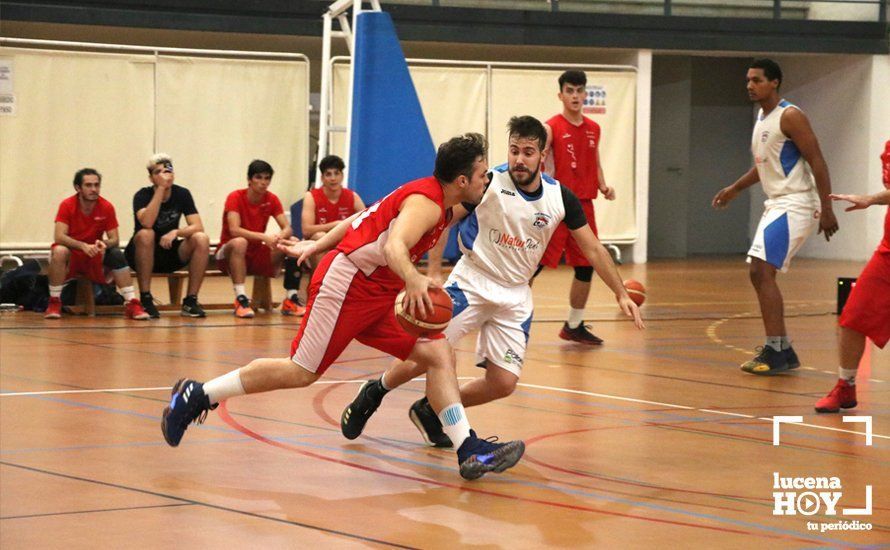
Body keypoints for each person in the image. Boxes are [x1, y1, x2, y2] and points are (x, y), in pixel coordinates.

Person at [160, 134, 525, 480]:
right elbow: (393, 247)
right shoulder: (426, 204)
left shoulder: (434, 199)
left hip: (378, 294)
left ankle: (468, 449)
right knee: (301, 371)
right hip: (348, 285)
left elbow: (358, 219)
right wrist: (414, 279)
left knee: (438, 352)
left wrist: (313, 246)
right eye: (482, 174)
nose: (487, 179)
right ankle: (197, 394)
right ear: (461, 180)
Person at [340, 116, 644, 448]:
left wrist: (619, 293)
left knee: (503, 382)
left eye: (528, 152)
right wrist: (434, 270)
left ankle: (429, 411)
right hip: (473, 281)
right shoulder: (486, 184)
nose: (519, 159)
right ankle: (376, 389)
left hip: (515, 294)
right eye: (514, 150)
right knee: (428, 353)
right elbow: (441, 219)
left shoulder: (561, 198)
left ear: (543, 155)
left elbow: (593, 248)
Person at [712, 58, 839, 375]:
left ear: (775, 83)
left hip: (796, 202)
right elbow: (764, 166)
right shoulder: (762, 117)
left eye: (756, 80)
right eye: (748, 80)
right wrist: (735, 188)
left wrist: (827, 207)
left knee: (761, 270)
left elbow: (817, 161)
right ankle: (782, 349)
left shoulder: (791, 116)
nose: (750, 86)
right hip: (778, 204)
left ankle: (777, 349)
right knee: (758, 272)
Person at [539, 70, 616, 345]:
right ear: (560, 95)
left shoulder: (594, 128)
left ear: (585, 94)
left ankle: (573, 324)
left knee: (586, 266)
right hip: (556, 205)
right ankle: (501, 314)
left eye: (579, 90)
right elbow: (540, 164)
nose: (575, 95)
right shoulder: (550, 128)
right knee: (533, 264)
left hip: (583, 206)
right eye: (569, 90)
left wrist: (604, 185)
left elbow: (594, 161)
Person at [815, 140, 890, 412]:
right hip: (888, 253)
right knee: (853, 317)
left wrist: (870, 199)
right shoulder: (889, 149)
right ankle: (845, 387)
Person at [45, 168, 150, 320]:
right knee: (59, 250)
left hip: (95, 253)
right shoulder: (67, 205)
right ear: (78, 188)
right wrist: (82, 246)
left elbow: (115, 239)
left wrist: (102, 244)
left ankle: (132, 303)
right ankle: (54, 301)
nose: (94, 189)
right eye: (88, 185)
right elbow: (59, 236)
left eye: (96, 185)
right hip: (73, 253)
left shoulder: (106, 206)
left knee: (116, 253)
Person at [125, 154, 210, 318]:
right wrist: (161, 189)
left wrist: (177, 232)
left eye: (168, 170)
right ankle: (146, 299)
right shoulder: (142, 195)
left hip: (169, 251)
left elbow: (198, 225)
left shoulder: (182, 193)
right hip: (141, 254)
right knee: (146, 234)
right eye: (159, 172)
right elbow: (147, 222)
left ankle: (190, 301)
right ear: (151, 178)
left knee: (201, 238)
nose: (165, 175)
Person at [216, 160, 297, 318]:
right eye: (258, 178)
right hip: (229, 252)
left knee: (293, 242)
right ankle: (240, 298)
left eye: (267, 178)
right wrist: (263, 237)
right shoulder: (235, 197)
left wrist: (279, 237)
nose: (263, 182)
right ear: (249, 180)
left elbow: (287, 228)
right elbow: (234, 230)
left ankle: (291, 298)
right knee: (240, 242)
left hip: (255, 253)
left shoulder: (271, 199)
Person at [301, 155, 366, 268]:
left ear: (342, 176)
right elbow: (306, 230)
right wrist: (335, 225)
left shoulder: (353, 196)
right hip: (314, 246)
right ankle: (320, 282)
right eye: (328, 174)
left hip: (344, 244)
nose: (333, 178)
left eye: (336, 173)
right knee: (320, 236)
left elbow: (367, 222)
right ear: (322, 178)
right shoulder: (311, 196)